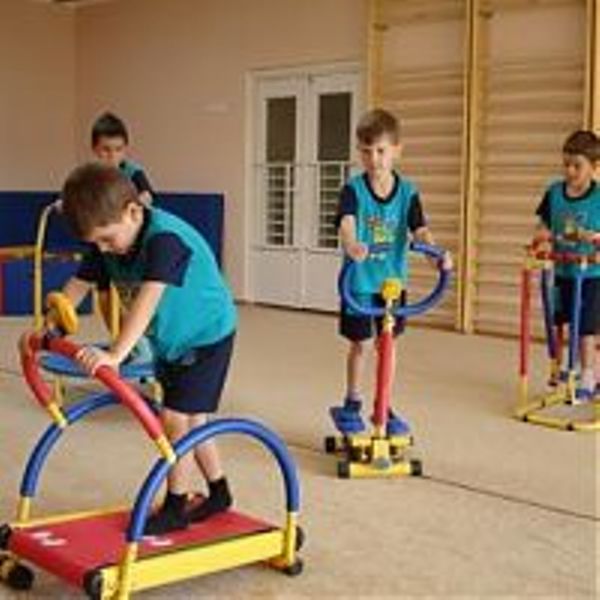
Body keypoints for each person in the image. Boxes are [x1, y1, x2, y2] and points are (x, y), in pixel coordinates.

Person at [20, 162, 236, 535]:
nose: (104, 250)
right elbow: (76, 287)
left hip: (207, 336)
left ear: (134, 212)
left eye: (107, 239)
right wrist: (47, 329)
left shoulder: (164, 240)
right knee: (194, 420)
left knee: (175, 419)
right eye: (97, 244)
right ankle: (219, 493)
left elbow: (147, 300)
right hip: (170, 339)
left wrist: (116, 354)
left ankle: (175, 505)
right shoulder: (107, 241)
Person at [335, 108, 452, 431]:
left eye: (381, 151)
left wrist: (435, 256)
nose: (373, 159)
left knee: (388, 344)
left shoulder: (408, 192)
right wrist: (351, 243)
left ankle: (382, 403)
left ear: (397, 150)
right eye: (366, 151)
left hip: (391, 285)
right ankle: (352, 400)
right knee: (360, 344)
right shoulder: (353, 189)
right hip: (359, 284)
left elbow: (420, 231)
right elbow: (346, 222)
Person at [534, 129, 600, 399]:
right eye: (566, 165)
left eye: (577, 166)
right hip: (562, 270)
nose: (570, 171)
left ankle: (588, 375)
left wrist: (595, 240)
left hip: (592, 273)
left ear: (594, 167)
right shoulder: (554, 193)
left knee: (585, 326)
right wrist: (542, 239)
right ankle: (561, 367)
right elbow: (543, 225)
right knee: (560, 321)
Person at [91, 111, 154, 206]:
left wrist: (140, 201)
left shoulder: (133, 172)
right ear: (95, 149)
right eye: (106, 149)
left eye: (118, 149)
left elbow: (148, 195)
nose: (112, 155)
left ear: (125, 149)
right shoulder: (89, 176)